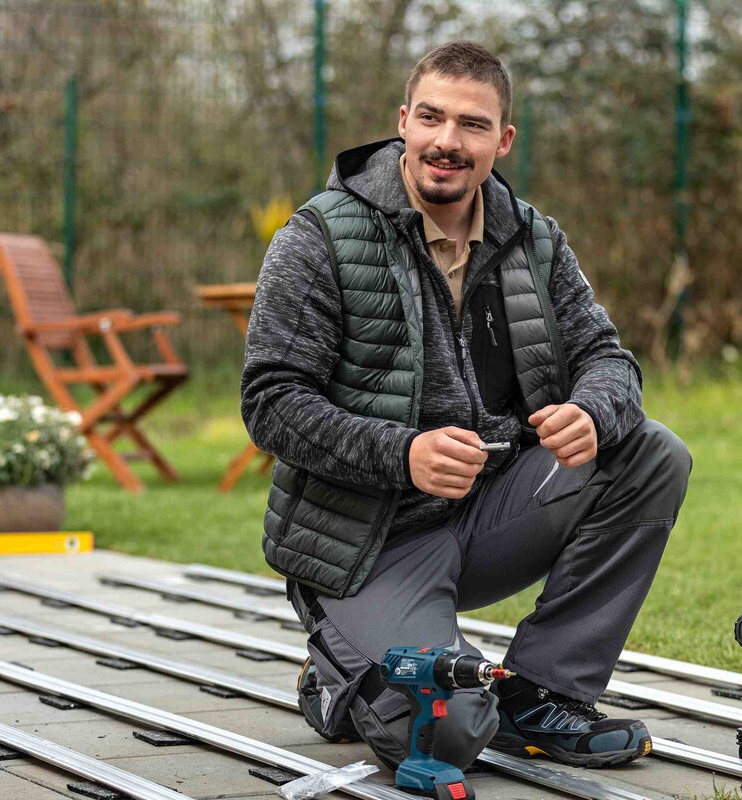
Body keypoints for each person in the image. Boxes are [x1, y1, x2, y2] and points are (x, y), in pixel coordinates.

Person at [241, 40, 691, 772]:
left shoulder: (534, 237)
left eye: (473, 125)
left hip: (490, 514)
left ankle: (543, 692)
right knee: (447, 735)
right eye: (432, 118)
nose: (448, 142)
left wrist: (593, 411)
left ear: (503, 139)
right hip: (367, 542)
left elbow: (609, 358)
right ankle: (341, 677)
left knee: (651, 452)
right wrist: (402, 452)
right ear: (403, 122)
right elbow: (270, 403)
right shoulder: (318, 236)